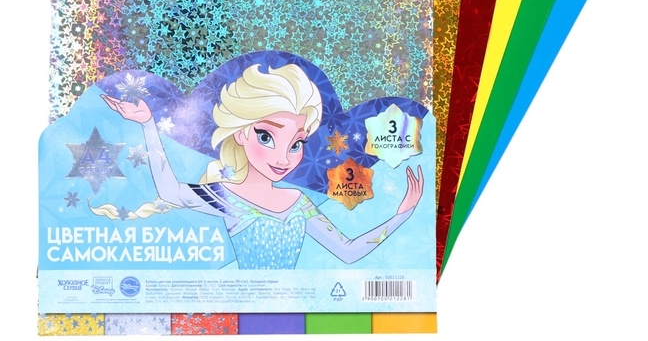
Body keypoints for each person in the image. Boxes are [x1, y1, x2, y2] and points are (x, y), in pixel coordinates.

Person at [97, 62, 423, 269]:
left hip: (298, 313)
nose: (283, 158)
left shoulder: (299, 202)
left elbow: (348, 251)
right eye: (266, 137)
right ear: (241, 133)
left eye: (296, 144)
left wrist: (402, 215)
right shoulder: (225, 196)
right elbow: (170, 191)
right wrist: (148, 124)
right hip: (246, 307)